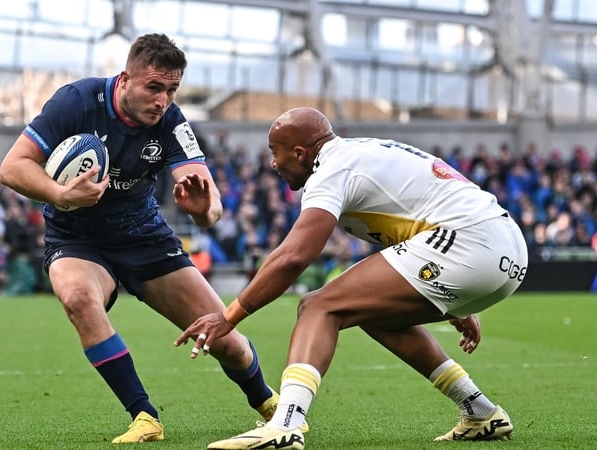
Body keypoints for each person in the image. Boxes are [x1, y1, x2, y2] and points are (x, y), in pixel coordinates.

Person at [176, 107, 529, 449]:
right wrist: (457, 305)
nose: (273, 163)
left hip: (467, 242)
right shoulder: (359, 152)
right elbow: (420, 212)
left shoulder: (330, 169)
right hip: (504, 246)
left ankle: (286, 424)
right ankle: (480, 411)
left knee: (319, 306)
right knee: (365, 309)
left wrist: (228, 317)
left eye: (275, 152)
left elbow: (293, 257)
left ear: (300, 153)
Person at [0, 33, 284, 444]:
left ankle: (269, 405)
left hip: (145, 237)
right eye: (153, 87)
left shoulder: (172, 122)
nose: (162, 100)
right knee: (78, 298)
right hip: (77, 239)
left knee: (226, 340)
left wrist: (202, 208)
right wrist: (61, 194)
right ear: (125, 79)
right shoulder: (76, 102)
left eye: (172, 90)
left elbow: (212, 208)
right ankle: (144, 416)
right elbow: (12, 167)